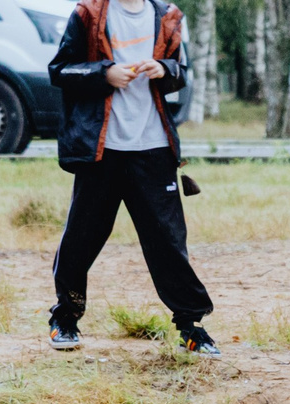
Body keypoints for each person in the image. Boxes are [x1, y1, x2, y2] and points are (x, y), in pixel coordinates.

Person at [47, 0, 220, 356]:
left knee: (168, 241)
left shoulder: (167, 16)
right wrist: (104, 74)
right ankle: (65, 317)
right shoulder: (89, 13)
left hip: (154, 147)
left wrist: (163, 68)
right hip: (103, 147)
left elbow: (181, 71)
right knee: (83, 235)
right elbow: (59, 70)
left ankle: (192, 325)